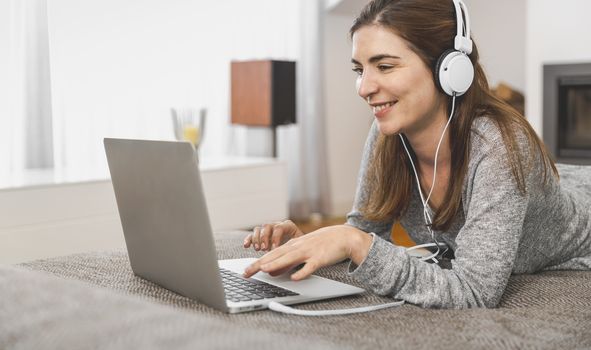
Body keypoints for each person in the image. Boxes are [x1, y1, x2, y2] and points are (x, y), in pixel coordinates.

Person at [242, 0, 591, 308]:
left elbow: (474, 292)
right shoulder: (386, 134)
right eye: (359, 69)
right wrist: (315, 245)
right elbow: (365, 230)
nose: (364, 87)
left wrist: (354, 242)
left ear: (450, 69)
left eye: (385, 66)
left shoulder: (497, 145)